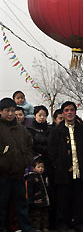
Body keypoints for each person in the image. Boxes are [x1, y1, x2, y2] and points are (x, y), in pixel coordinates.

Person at [48, 101, 83, 232]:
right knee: (63, 200)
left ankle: (80, 223)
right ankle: (63, 224)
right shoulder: (56, 131)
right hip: (63, 172)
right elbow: (51, 151)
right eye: (66, 110)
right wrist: (58, 165)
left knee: (80, 200)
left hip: (80, 171)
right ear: (62, 113)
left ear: (75, 111)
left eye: (71, 110)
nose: (69, 112)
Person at [0, 97, 35, 232]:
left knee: (21, 204)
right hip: (2, 175)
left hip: (19, 173)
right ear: (1, 112)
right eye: (7, 111)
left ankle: (26, 228)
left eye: (12, 110)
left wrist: (26, 161)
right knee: (2, 204)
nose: (10, 114)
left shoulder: (22, 129)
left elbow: (29, 147)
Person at [26, 158, 50, 232]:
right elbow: (29, 190)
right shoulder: (31, 178)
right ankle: (36, 228)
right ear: (34, 168)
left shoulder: (44, 177)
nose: (41, 169)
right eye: (38, 167)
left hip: (44, 200)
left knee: (45, 215)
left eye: (42, 167)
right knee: (36, 215)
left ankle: (44, 227)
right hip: (36, 200)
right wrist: (31, 200)